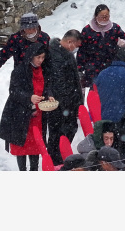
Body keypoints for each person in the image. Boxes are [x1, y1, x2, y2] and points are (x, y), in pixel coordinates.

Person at [0, 41, 55, 171]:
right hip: (21, 114)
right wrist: (29, 97)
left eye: (43, 57)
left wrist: (49, 95)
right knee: (22, 145)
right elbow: (13, 91)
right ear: (31, 56)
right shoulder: (19, 71)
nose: (41, 60)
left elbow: (47, 86)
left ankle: (34, 169)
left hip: (38, 115)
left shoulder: (44, 70)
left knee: (36, 143)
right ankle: (22, 170)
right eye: (38, 57)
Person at [44, 29, 83, 166]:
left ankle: (58, 156)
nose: (76, 49)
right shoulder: (55, 55)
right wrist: (68, 104)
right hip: (60, 105)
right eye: (76, 46)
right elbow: (59, 83)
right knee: (58, 133)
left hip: (68, 102)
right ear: (70, 41)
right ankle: (56, 160)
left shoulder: (65, 53)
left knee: (66, 130)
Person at [0, 12, 49, 83]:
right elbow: (4, 54)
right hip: (21, 77)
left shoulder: (44, 38)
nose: (31, 31)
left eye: (33, 28)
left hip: (40, 76)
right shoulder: (16, 39)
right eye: (28, 28)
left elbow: (49, 57)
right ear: (23, 28)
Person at [77, 4, 125, 88]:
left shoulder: (114, 28)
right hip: (93, 68)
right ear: (96, 16)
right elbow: (81, 51)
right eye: (102, 17)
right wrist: (80, 68)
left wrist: (124, 42)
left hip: (111, 65)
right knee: (97, 91)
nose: (105, 19)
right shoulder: (87, 30)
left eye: (107, 16)